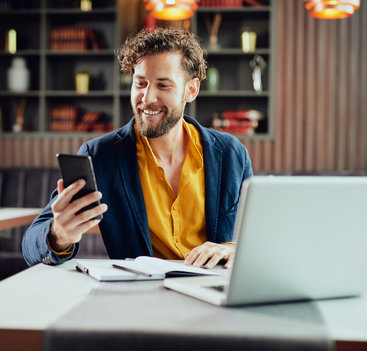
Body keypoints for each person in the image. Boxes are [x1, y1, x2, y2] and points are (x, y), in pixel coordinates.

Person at [22, 27, 253, 269]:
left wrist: (231, 248)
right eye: (140, 83)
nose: (147, 97)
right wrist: (59, 234)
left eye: (163, 85)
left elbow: (258, 237)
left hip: (214, 294)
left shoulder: (231, 154)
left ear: (191, 90)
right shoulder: (100, 156)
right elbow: (31, 245)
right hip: (140, 296)